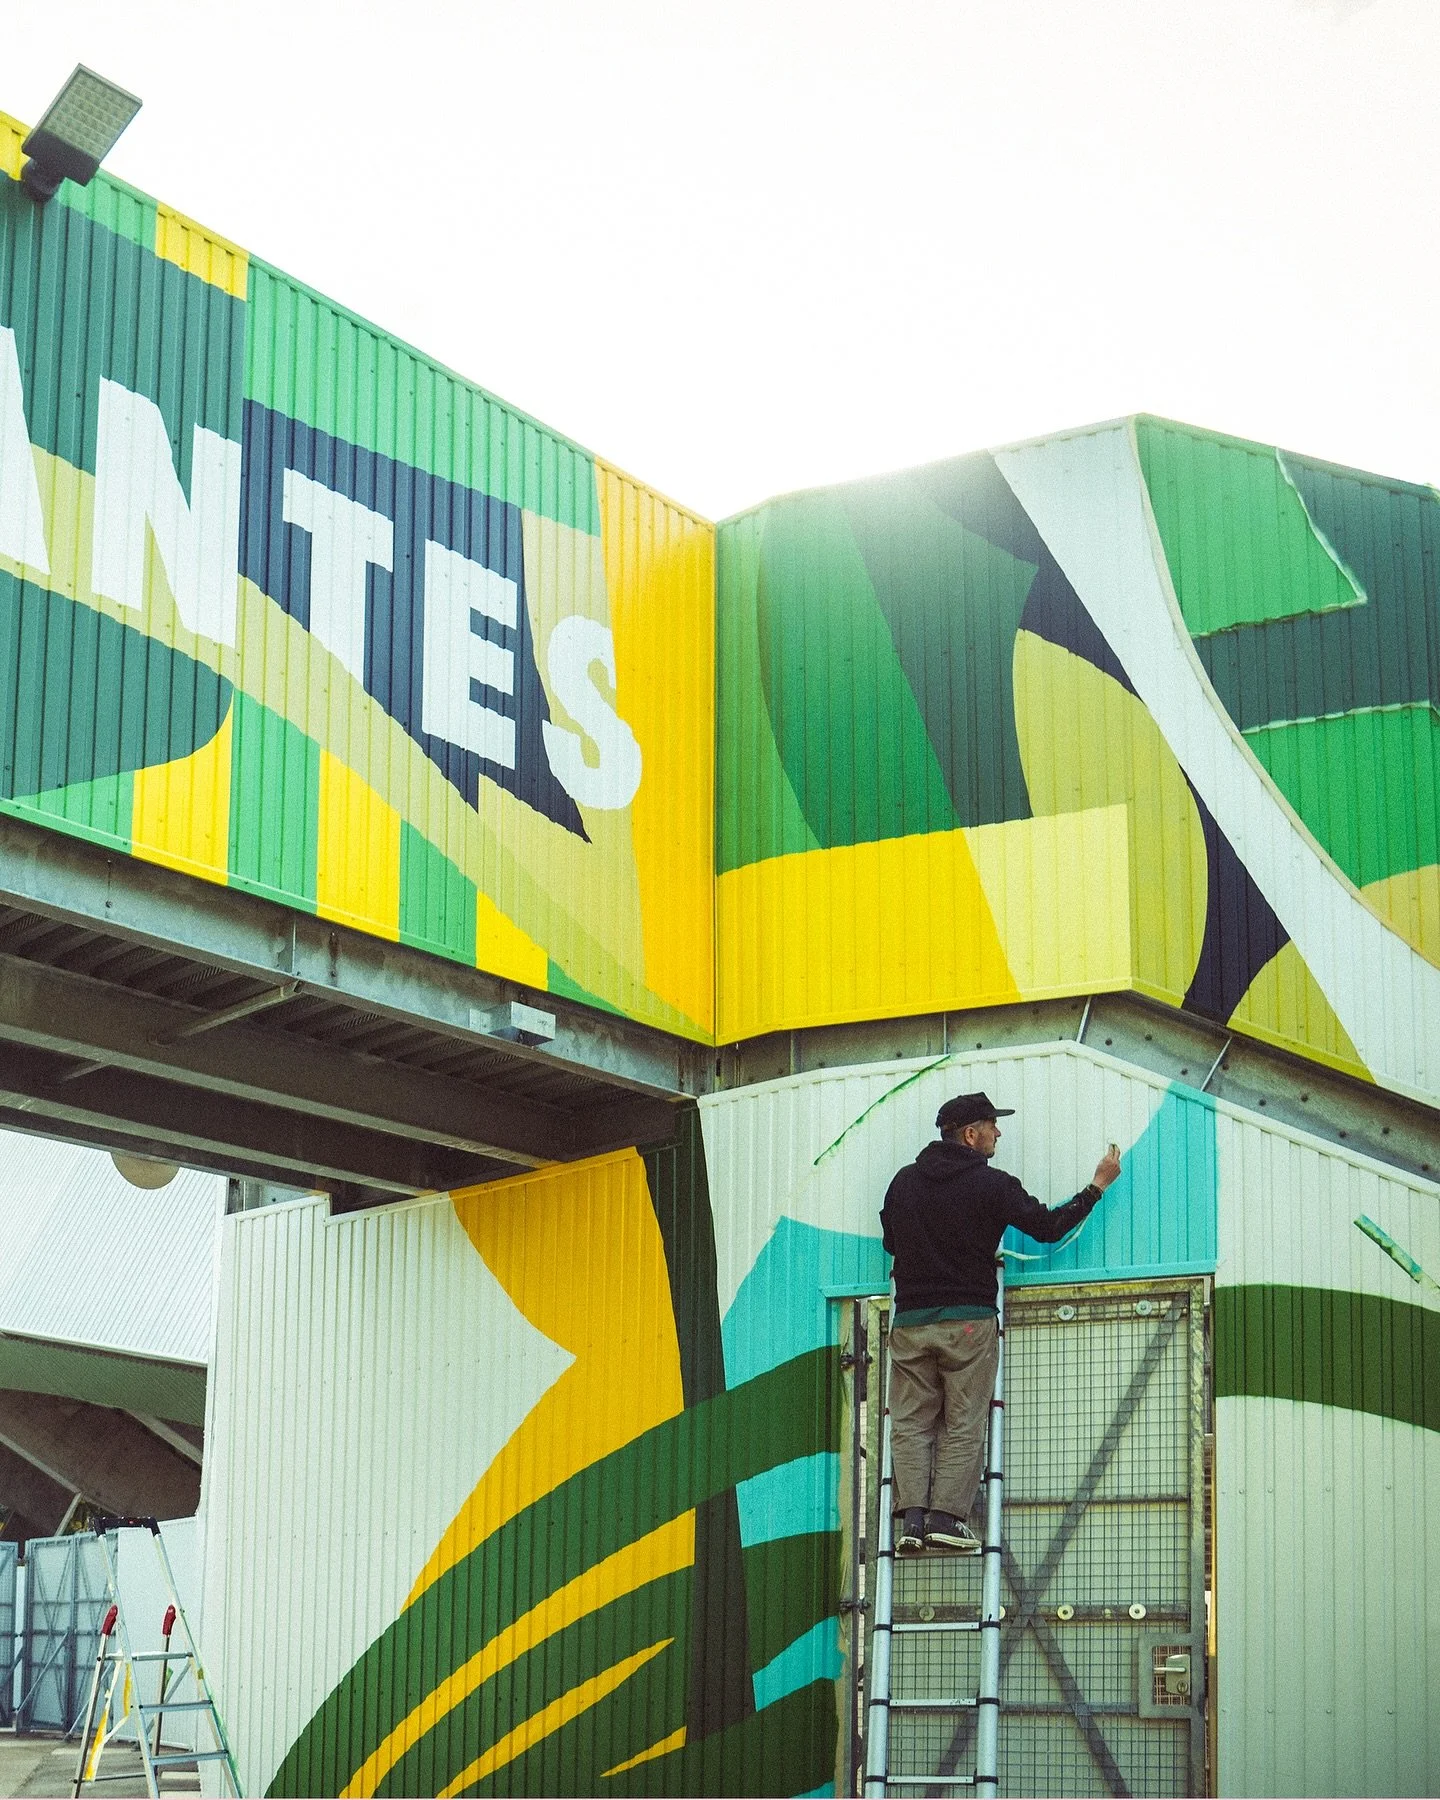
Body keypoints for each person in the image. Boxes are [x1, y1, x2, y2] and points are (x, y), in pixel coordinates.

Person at [880, 1091, 1122, 1554]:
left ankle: (911, 1520)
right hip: (968, 1323)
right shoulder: (992, 1185)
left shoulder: (903, 1182)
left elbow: (892, 1242)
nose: (999, 1133)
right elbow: (1049, 1228)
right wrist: (1097, 1185)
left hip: (910, 1321)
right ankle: (946, 1519)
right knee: (964, 1420)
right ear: (970, 1134)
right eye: (993, 1125)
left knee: (910, 1422)